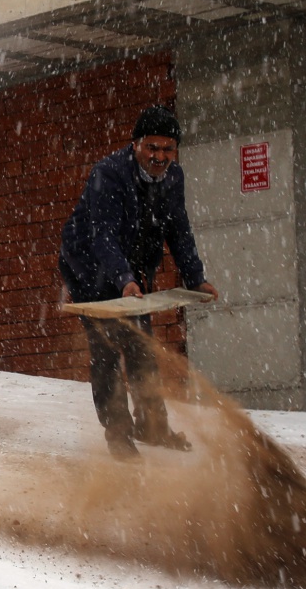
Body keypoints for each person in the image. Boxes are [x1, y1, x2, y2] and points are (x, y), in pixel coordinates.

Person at [59, 105, 219, 460]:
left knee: (142, 345)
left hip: (128, 268)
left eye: (167, 149)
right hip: (88, 267)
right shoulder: (109, 174)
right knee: (107, 350)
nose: (160, 157)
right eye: (153, 148)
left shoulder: (174, 178)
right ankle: (118, 434)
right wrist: (124, 280)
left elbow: (179, 230)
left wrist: (196, 278)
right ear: (136, 145)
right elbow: (102, 237)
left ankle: (152, 425)